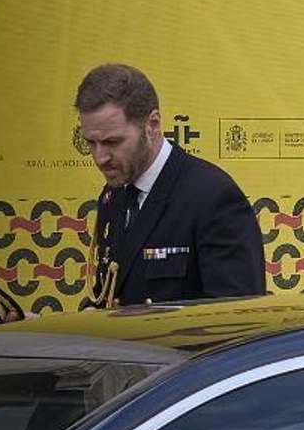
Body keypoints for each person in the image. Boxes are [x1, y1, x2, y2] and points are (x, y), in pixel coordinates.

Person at [78, 62, 265, 306]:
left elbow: (236, 319)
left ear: (152, 125)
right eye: (91, 143)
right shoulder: (114, 196)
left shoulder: (212, 197)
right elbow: (107, 297)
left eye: (113, 142)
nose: (100, 157)